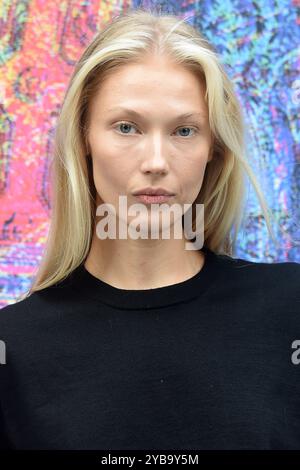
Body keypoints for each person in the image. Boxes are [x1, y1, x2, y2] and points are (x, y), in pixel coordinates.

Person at [0, 8, 299, 451]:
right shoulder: (13, 349)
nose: (156, 161)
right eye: (127, 127)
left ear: (213, 147)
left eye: (184, 130)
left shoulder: (289, 308)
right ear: (84, 138)